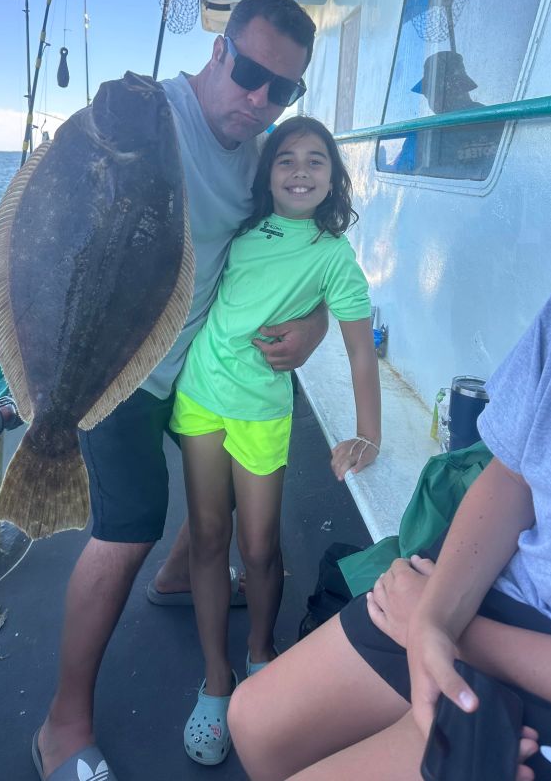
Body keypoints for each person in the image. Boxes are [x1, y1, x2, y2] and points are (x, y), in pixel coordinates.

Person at [35, 0, 339, 781]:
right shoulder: (149, 120)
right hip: (117, 367)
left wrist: (312, 329)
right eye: (248, 73)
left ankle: (182, 579)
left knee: (229, 496)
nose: (259, 99)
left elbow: (298, 252)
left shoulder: (266, 151)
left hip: (201, 364)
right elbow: (57, 230)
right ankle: (62, 726)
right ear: (217, 52)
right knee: (125, 528)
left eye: (284, 89)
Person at [227, 256, 551, 781]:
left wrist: (450, 632)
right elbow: (514, 474)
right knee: (255, 719)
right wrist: (435, 619)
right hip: (508, 588)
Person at [173, 116, 381, 766]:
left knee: (259, 547)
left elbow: (359, 351)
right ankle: (216, 681)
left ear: (334, 179)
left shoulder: (333, 256)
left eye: (315, 160)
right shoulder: (243, 230)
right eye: (285, 158)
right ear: (267, 175)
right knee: (207, 537)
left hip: (263, 412)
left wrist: (367, 434)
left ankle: (261, 657)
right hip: (200, 395)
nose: (299, 170)